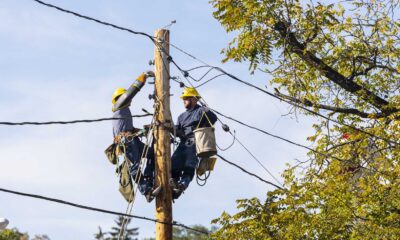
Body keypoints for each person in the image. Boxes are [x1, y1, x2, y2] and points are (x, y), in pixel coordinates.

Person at [112, 71, 161, 202]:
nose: (130, 100)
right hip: (126, 141)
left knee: (153, 155)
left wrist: (144, 130)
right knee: (135, 166)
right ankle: (146, 191)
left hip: (132, 139)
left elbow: (130, 130)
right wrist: (142, 77)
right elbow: (130, 92)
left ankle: (149, 182)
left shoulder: (125, 112)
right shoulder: (118, 107)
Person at [170, 87, 217, 199]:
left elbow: (213, 118)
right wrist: (170, 129)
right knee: (173, 163)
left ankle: (183, 183)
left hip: (196, 139)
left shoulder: (200, 110)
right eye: (184, 98)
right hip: (183, 142)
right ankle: (174, 186)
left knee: (189, 164)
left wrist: (207, 111)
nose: (184, 100)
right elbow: (177, 131)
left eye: (186, 98)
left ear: (194, 99)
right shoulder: (181, 117)